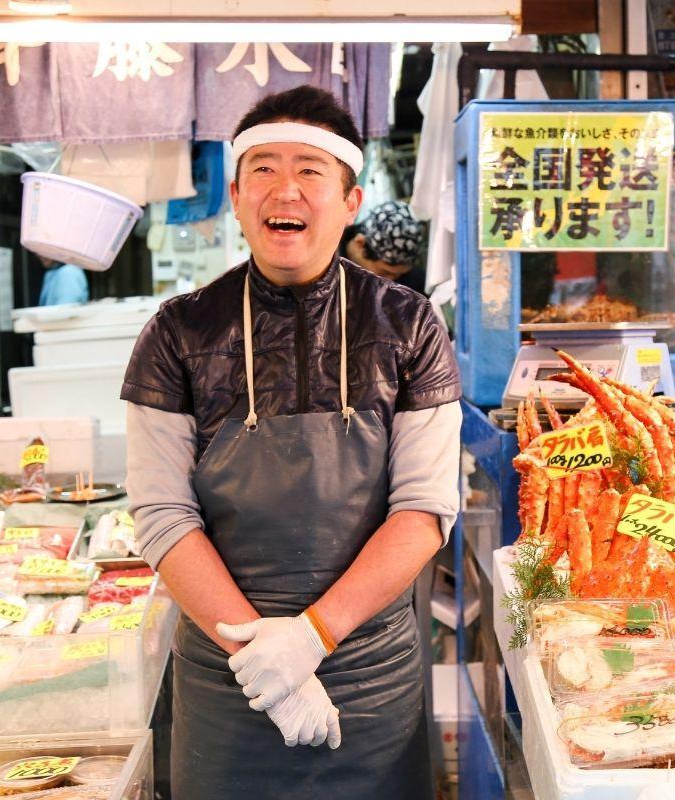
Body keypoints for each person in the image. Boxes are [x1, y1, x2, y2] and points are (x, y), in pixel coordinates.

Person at [121, 85, 462, 799]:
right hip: (229, 682)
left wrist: (311, 637)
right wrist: (263, 664)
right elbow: (160, 514)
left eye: (310, 170)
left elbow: (425, 509)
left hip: (369, 679)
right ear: (238, 196)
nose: (286, 190)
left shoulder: (409, 326)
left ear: (351, 199)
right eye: (264, 169)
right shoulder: (178, 333)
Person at [339, 200, 426, 290]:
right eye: (385, 272)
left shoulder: (414, 282)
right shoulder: (327, 270)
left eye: (400, 274)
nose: (391, 282)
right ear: (360, 243)